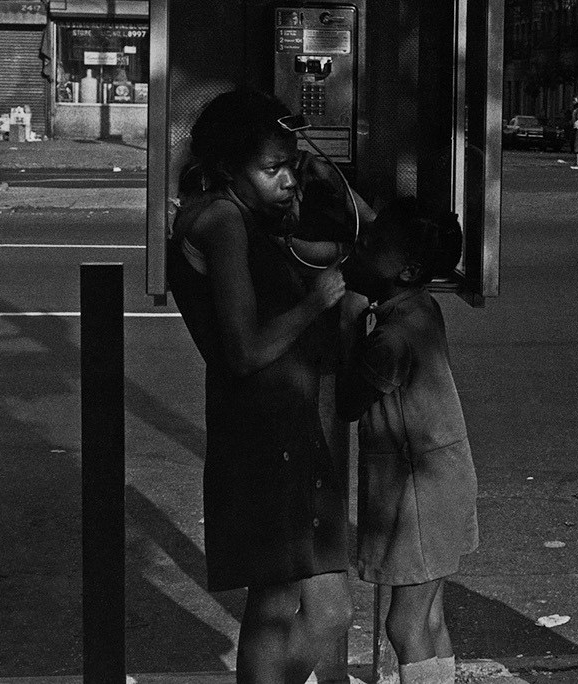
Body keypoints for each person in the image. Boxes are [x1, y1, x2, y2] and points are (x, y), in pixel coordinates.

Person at [168, 88, 353, 684]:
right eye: (272, 169)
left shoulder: (246, 216)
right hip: (259, 429)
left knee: (311, 605)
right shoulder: (221, 221)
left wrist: (317, 178)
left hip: (286, 427)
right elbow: (244, 351)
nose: (285, 181)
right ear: (228, 167)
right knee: (291, 607)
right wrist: (314, 305)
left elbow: (351, 239)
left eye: (288, 166)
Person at [338, 199, 478, 684]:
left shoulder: (391, 340)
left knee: (405, 623)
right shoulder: (422, 308)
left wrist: (346, 320)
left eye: (374, 243)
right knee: (429, 616)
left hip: (415, 492)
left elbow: (348, 401)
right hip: (442, 481)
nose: (361, 245)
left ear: (408, 268)